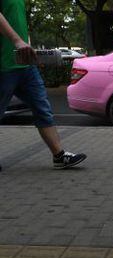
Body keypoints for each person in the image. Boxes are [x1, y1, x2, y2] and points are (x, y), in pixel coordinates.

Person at [0, 0, 87, 171]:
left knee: (42, 108)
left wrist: (31, 51)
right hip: (3, 67)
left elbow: (17, 24)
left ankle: (59, 156)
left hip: (25, 65)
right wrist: (17, 41)